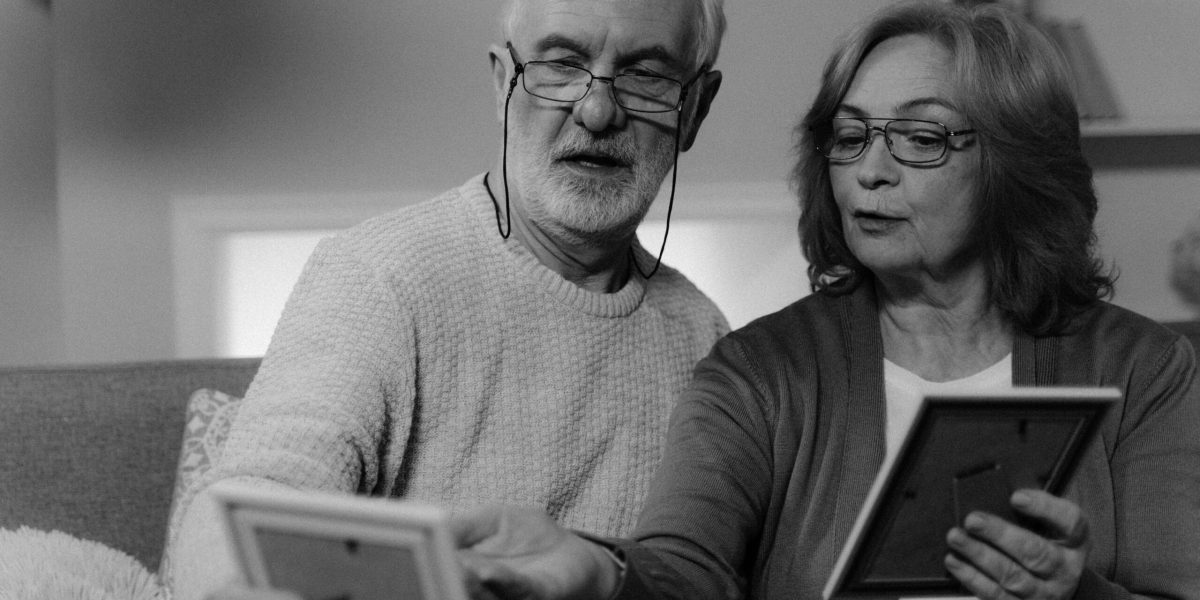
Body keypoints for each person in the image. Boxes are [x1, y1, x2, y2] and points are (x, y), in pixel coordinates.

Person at [450, 2, 1200, 599]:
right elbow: (685, 573)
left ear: (1014, 163)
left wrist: (1079, 594)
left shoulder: (1145, 368)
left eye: (921, 137)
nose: (869, 171)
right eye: (850, 136)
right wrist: (601, 576)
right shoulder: (758, 370)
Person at [167, 0, 728, 597]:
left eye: (646, 75)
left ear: (693, 108)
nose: (595, 110)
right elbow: (261, 493)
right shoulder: (378, 276)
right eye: (561, 64)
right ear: (501, 84)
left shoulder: (707, 338)